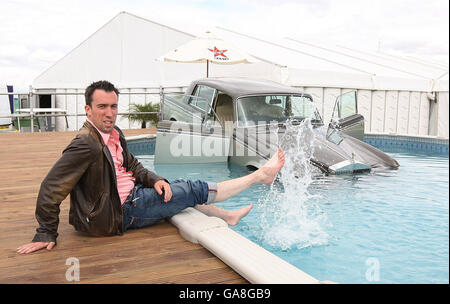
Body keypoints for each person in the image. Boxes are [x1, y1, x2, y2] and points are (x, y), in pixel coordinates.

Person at [17, 80, 285, 255]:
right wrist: (45, 232)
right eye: (101, 107)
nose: (109, 113)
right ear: (87, 110)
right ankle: (261, 176)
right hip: (119, 214)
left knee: (175, 186)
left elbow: (131, 164)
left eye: (113, 106)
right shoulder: (85, 145)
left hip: (129, 198)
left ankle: (226, 216)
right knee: (193, 188)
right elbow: (50, 188)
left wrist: (154, 179)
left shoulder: (112, 132)